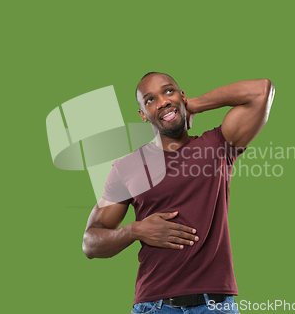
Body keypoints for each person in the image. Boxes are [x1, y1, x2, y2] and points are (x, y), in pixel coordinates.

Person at [82, 72, 275, 313]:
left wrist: (193, 104)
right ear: (143, 115)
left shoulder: (217, 146)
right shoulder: (127, 167)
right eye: (150, 100)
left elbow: (261, 91)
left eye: (169, 91)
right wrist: (135, 230)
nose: (162, 101)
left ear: (182, 95)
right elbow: (90, 242)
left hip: (215, 306)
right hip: (155, 305)